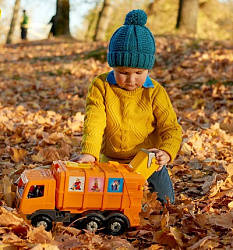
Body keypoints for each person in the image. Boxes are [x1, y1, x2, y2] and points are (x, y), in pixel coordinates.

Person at [71, 9, 182, 204]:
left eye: (139, 72)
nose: (131, 80)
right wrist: (90, 152)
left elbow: (171, 127)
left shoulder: (155, 91)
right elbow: (94, 120)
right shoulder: (101, 85)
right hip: (111, 159)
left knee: (166, 203)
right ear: (113, 66)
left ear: (148, 68)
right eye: (123, 72)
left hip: (148, 160)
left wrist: (166, 151)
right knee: (105, 202)